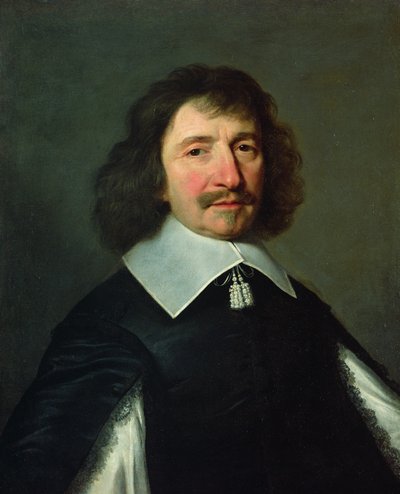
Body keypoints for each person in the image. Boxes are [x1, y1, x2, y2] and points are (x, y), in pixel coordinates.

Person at [1, 64, 399, 494]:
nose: (231, 176)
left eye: (244, 147)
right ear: (155, 178)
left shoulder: (301, 309)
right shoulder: (109, 327)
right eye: (197, 151)